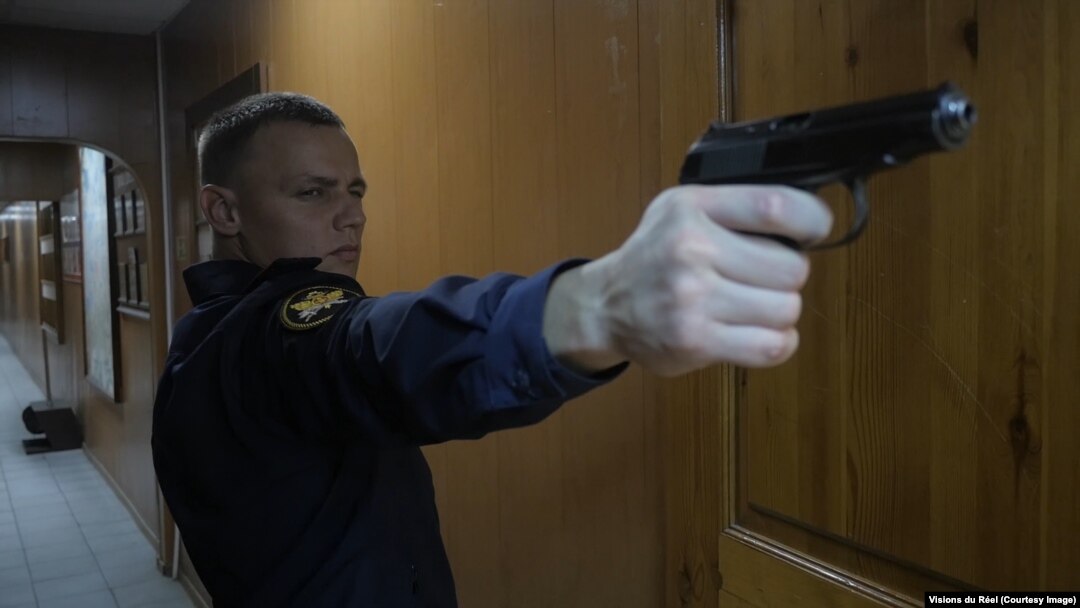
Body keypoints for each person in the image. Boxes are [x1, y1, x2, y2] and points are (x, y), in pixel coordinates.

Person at [151, 92, 831, 607]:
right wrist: (599, 305)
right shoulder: (266, 339)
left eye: (355, 191)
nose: (352, 214)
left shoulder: (200, 344)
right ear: (224, 211)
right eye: (312, 193)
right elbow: (377, 350)